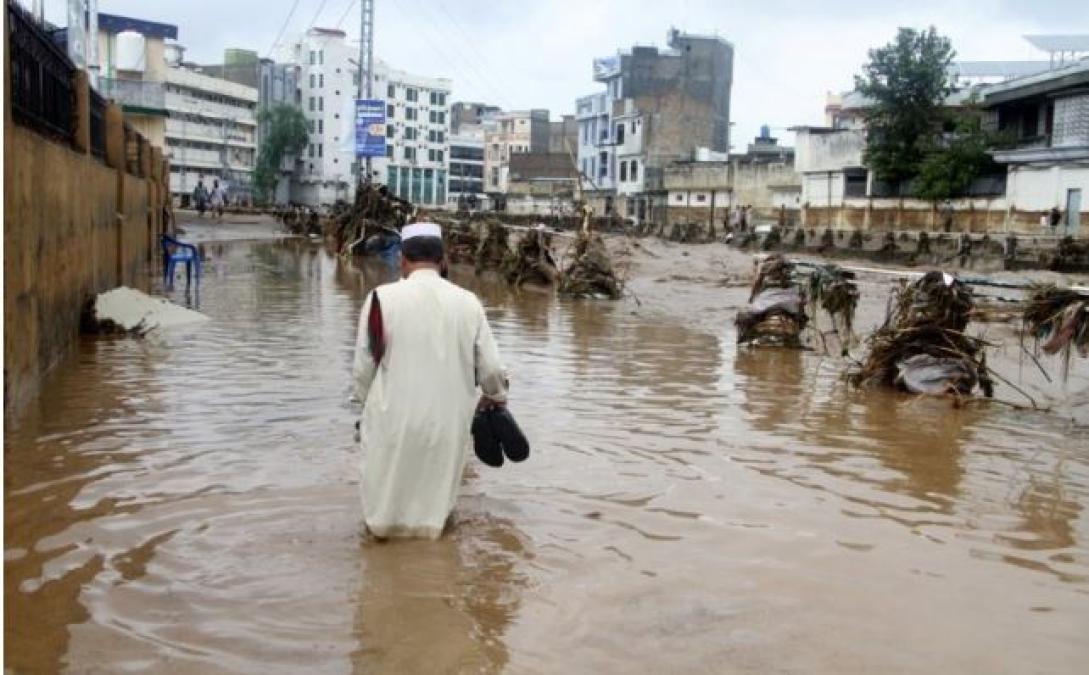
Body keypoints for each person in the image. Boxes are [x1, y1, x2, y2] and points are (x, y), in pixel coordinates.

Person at [352, 222, 508, 539]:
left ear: (402, 260)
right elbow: (491, 370)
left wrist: (364, 409)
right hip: (447, 421)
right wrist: (496, 396)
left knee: (384, 504)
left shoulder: (380, 299)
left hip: (391, 416)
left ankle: (382, 548)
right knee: (434, 507)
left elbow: (363, 368)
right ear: (443, 259)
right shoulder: (468, 302)